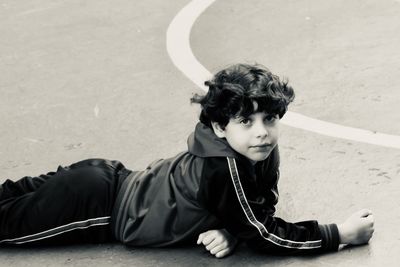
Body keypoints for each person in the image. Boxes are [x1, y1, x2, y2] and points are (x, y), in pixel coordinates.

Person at [0, 63, 374, 258]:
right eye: (246, 121)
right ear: (219, 126)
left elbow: (258, 204)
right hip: (100, 208)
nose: (262, 131)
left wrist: (232, 228)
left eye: (269, 119)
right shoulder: (224, 167)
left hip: (108, 178)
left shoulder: (253, 147)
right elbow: (265, 234)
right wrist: (337, 234)